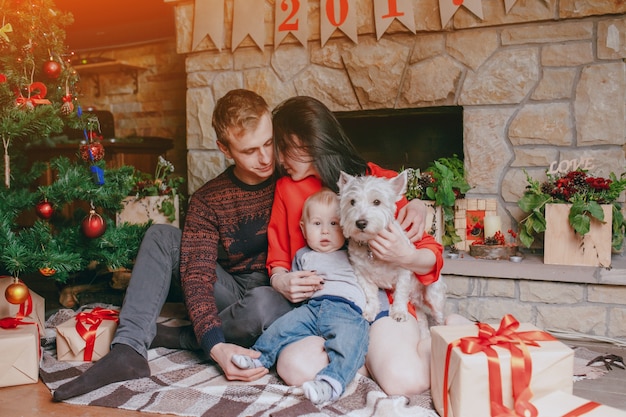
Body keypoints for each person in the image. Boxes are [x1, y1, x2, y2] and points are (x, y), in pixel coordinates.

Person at [52, 89, 293, 401]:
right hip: (234, 291)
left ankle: (182, 337)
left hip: (279, 292)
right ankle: (129, 349)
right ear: (225, 149)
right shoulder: (208, 199)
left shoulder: (293, 174)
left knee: (265, 302)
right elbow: (196, 274)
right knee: (160, 235)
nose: (265, 158)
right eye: (249, 150)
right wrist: (217, 347)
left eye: (269, 143)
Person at [266, 95, 442, 396]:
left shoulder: (374, 180)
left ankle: (397, 349)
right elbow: (278, 257)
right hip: (329, 308)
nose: (279, 160)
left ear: (308, 141)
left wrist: (407, 248)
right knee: (293, 368)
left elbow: (430, 254)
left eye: (284, 148)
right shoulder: (286, 189)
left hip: (382, 303)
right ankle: (367, 358)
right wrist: (281, 280)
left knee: (406, 382)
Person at [232, 188, 369, 404]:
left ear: (345, 227)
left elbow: (373, 283)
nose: (325, 232)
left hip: (347, 311)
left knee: (349, 343)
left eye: (333, 224)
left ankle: (331, 383)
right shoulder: (303, 256)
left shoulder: (353, 254)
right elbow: (293, 289)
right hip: (311, 308)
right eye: (317, 224)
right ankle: (258, 357)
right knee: (281, 328)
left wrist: (374, 314)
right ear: (304, 230)